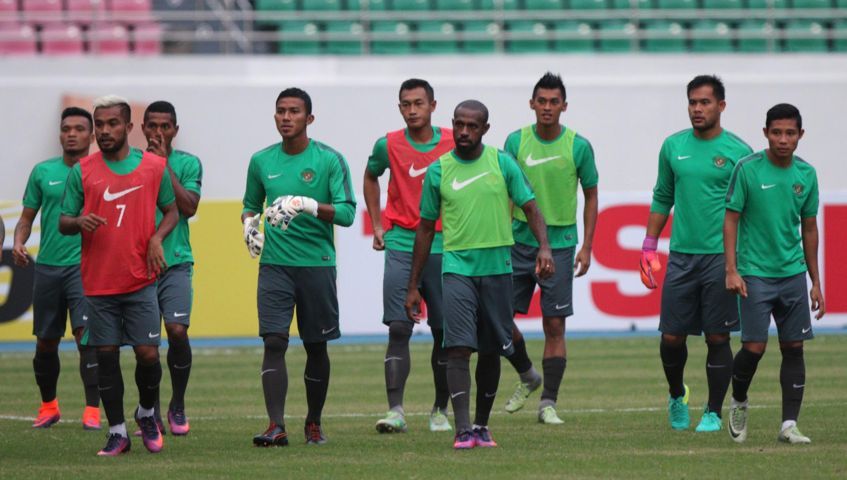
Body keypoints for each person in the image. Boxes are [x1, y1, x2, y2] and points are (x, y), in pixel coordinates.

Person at [405, 100, 553, 450]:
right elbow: (426, 229)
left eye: (472, 126)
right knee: (456, 347)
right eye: (459, 124)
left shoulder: (502, 163)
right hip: (457, 269)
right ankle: (462, 429)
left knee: (491, 348)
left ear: (485, 129)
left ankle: (482, 426)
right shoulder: (439, 170)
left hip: (498, 269)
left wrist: (544, 248)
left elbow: (531, 207)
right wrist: (413, 285)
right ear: (452, 125)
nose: (464, 132)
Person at [59, 95, 178, 456]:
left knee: (148, 355)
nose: (105, 131)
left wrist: (157, 238)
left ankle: (145, 412)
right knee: (106, 357)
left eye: (113, 124)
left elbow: (172, 211)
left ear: (128, 127)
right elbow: (64, 221)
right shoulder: (82, 171)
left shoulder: (154, 167)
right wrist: (79, 221)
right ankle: (117, 432)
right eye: (100, 125)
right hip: (98, 283)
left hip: (141, 279)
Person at [242, 88, 356, 447]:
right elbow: (250, 206)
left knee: (316, 346)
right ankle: (276, 425)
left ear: (309, 118)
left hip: (317, 266)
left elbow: (348, 213)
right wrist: (249, 227)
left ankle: (314, 423)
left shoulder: (329, 160)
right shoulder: (261, 161)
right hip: (275, 266)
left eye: (294, 112)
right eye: (280, 111)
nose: (286, 118)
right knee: (274, 341)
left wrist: (308, 204)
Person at [641, 75, 753, 432]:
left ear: (721, 106)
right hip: (682, 257)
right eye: (692, 102)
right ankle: (677, 395)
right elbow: (662, 196)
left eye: (705, 102)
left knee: (718, 337)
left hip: (722, 259)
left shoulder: (739, 152)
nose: (697, 109)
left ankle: (713, 412)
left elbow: (750, 209)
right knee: (671, 336)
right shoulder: (673, 147)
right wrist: (648, 245)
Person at [500, 72, 598, 424]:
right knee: (497, 320)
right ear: (531, 104)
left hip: (559, 245)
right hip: (517, 241)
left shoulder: (578, 146)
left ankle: (548, 403)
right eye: (541, 101)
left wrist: (587, 246)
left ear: (564, 106)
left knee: (554, 325)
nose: (547, 107)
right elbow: (503, 193)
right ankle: (527, 374)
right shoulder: (515, 142)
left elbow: (590, 195)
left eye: (553, 102)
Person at [724, 103, 824, 445]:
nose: (783, 139)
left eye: (790, 133)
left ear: (800, 135)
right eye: (777, 132)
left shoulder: (806, 175)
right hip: (754, 274)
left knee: (794, 346)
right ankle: (738, 401)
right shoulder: (747, 168)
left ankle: (789, 425)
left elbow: (809, 229)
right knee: (753, 347)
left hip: (793, 274)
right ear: (765, 132)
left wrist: (816, 282)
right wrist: (732, 269)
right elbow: (731, 218)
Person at [363, 78, 455, 434]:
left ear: (433, 105)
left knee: (445, 332)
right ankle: (395, 411)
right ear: (399, 107)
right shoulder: (387, 145)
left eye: (419, 103)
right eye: (405, 104)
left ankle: (439, 410)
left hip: (446, 245)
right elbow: (371, 177)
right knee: (399, 327)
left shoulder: (452, 141)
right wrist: (376, 223)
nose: (412, 110)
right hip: (401, 243)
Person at [13, 107, 100, 430]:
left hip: (85, 267)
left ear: (91, 136)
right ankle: (48, 405)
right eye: (66, 128)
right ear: (60, 133)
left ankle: (92, 410)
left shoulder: (99, 171)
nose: (72, 133)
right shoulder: (42, 172)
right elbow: (26, 219)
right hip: (48, 268)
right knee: (46, 342)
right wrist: (20, 242)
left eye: (79, 128)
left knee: (85, 339)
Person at [139, 100, 203, 436]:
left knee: (177, 331)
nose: (159, 132)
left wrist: (163, 166)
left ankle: (177, 404)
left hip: (176, 260)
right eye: (153, 126)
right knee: (145, 346)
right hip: (138, 265)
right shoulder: (131, 165)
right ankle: (149, 411)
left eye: (166, 127)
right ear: (142, 129)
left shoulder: (188, 163)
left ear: (175, 130)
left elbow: (189, 207)